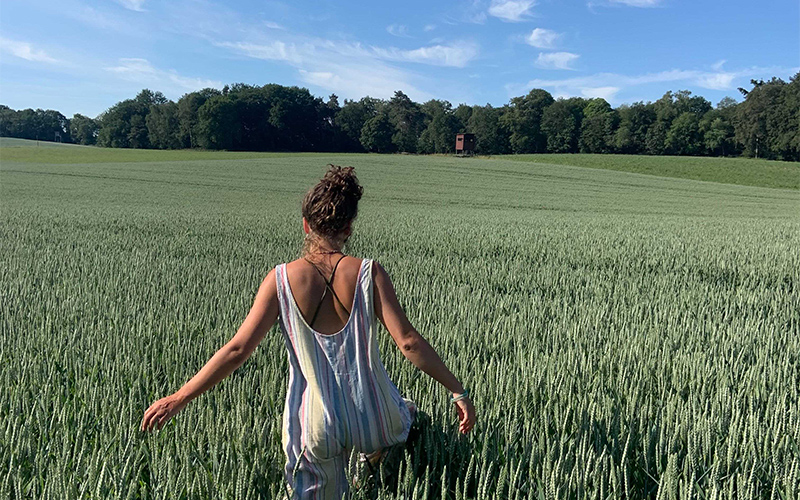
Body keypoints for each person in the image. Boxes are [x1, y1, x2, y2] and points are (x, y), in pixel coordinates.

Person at [141, 164, 476, 499]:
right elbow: (408, 342)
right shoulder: (369, 273)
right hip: (375, 416)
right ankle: (370, 462)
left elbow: (237, 349)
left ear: (305, 225)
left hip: (317, 424)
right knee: (405, 412)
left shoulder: (281, 280)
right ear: (348, 227)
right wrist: (458, 391)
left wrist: (179, 397)